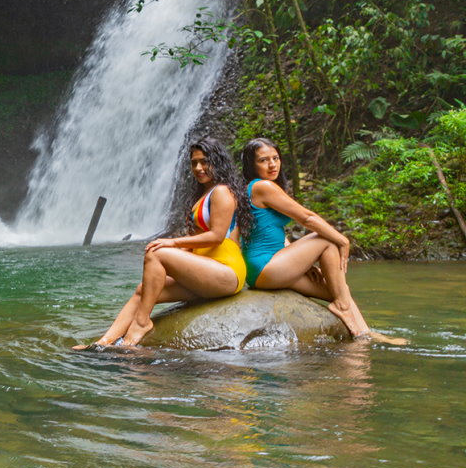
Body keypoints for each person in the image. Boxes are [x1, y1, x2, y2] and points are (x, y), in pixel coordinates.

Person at [74, 137, 252, 349]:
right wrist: (167, 270)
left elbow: (216, 236)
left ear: (218, 161)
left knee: (157, 252)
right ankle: (104, 342)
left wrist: (172, 243)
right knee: (145, 289)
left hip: (226, 272)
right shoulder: (203, 195)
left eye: (204, 161)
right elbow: (193, 245)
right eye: (194, 163)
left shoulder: (221, 191)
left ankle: (142, 322)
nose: (198, 167)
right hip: (206, 272)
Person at [240, 137, 406, 344]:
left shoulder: (262, 187)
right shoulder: (261, 186)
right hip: (265, 266)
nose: (272, 164)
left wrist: (302, 263)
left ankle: (364, 334)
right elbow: (306, 217)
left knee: (338, 289)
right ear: (251, 165)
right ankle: (343, 308)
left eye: (276, 158)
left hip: (271, 267)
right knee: (325, 239)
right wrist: (343, 240)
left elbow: (273, 232)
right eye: (264, 160)